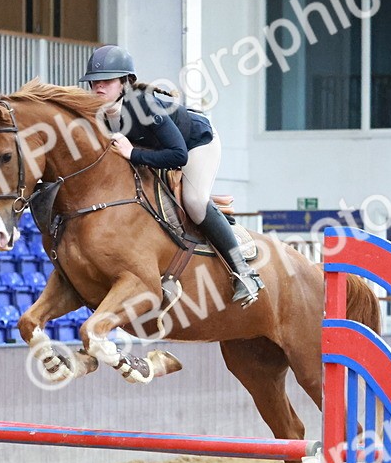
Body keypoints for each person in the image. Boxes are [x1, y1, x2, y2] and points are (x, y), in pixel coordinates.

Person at [78, 44, 264, 307]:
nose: (98, 87)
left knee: (195, 203)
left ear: (124, 83)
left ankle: (244, 272)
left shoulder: (144, 106)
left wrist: (133, 155)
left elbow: (178, 156)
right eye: (94, 82)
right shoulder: (98, 116)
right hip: (158, 153)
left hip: (196, 143)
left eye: (106, 81)